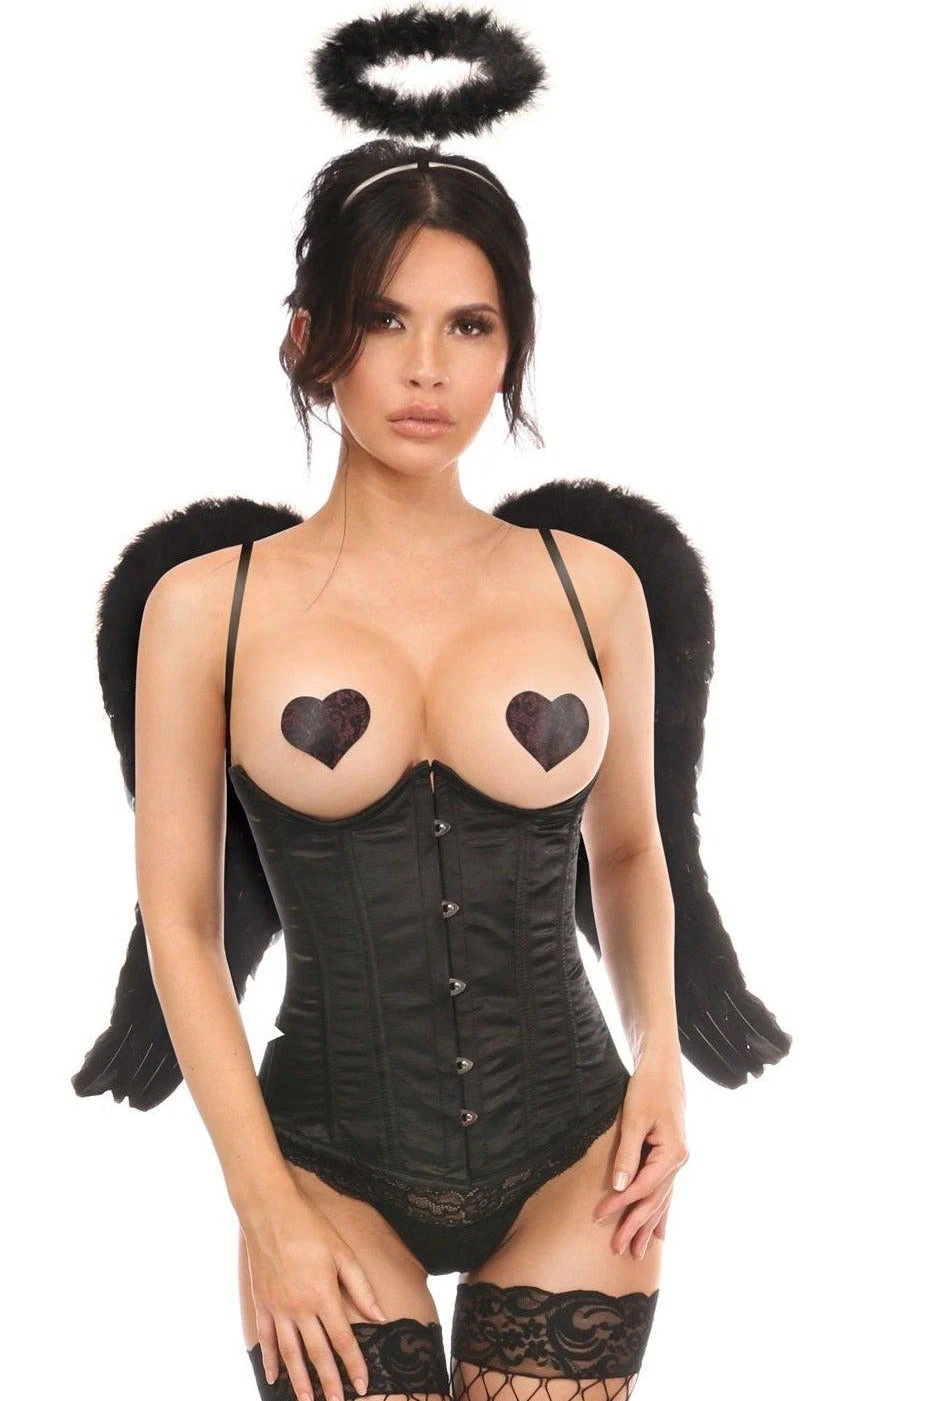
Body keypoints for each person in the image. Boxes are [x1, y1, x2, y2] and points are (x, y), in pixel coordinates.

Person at [73, 13, 790, 1401]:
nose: (426, 369)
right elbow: (181, 919)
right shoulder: (207, 605)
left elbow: (629, 849)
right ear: (310, 340)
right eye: (384, 320)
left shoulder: (591, 584)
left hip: (580, 1149)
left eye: (469, 325)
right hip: (324, 1166)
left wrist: (660, 1066)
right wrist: (266, 1211)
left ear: (511, 347)